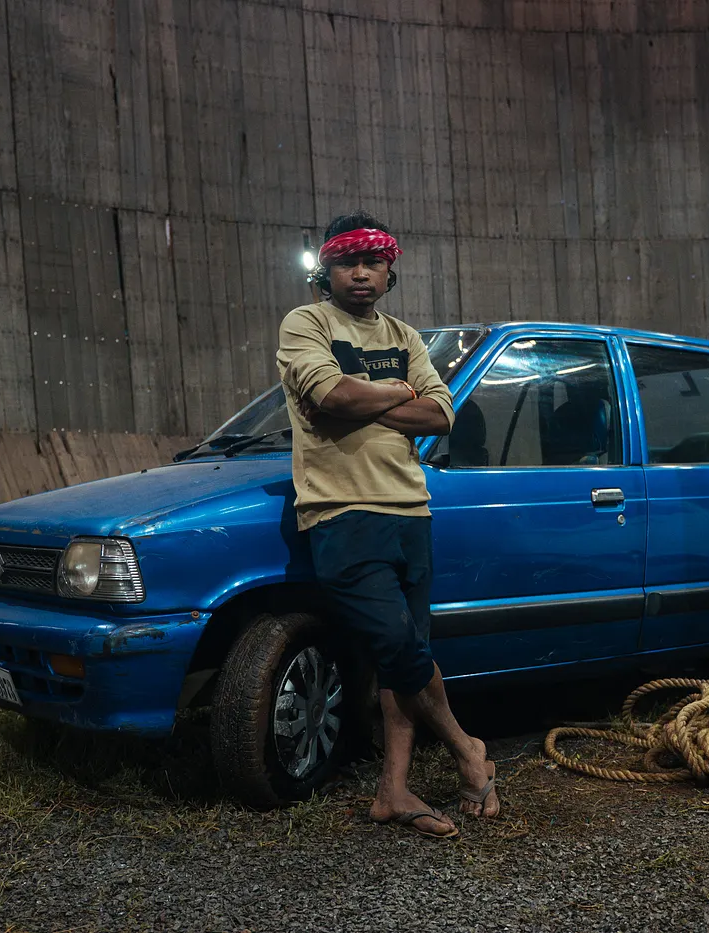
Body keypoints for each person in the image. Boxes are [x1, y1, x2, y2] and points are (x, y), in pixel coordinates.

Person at [276, 211, 500, 838]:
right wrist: (400, 393)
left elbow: (442, 415)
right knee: (399, 644)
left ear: (389, 271)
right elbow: (331, 397)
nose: (361, 274)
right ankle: (466, 748)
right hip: (341, 510)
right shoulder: (307, 323)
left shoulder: (403, 335)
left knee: (403, 651)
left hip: (410, 509)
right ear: (326, 271)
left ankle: (393, 791)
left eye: (372, 263)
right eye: (347, 263)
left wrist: (366, 399)